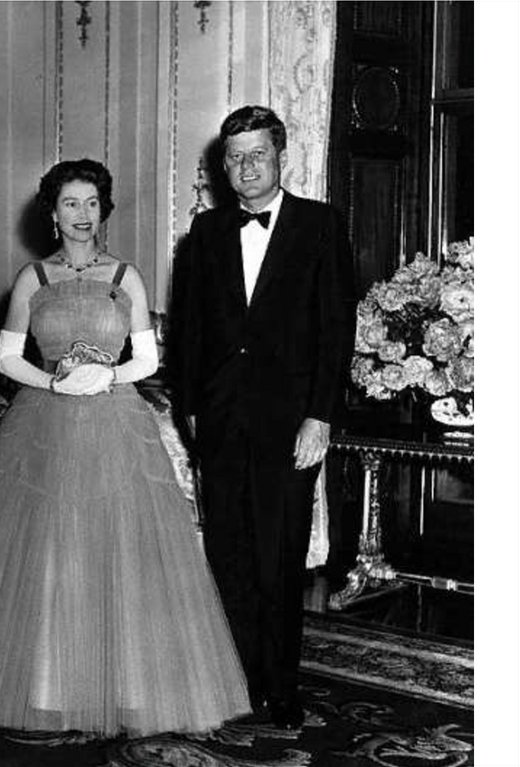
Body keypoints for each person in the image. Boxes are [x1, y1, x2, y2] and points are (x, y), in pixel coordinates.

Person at [0, 159, 250, 736]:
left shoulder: (126, 277)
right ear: (53, 213)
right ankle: (51, 687)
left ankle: (126, 687)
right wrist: (54, 383)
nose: (82, 215)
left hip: (116, 425)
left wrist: (107, 375)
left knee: (119, 551)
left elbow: (148, 358)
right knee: (52, 553)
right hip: (45, 424)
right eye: (71, 203)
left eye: (91, 203)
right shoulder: (33, 278)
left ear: (103, 209)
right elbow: (6, 357)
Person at [171, 105, 356, 729]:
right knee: (228, 555)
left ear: (281, 158)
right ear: (222, 167)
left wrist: (320, 417)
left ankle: (281, 686)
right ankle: (238, 682)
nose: (246, 166)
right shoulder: (205, 233)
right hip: (220, 420)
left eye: (258, 154)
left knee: (279, 557)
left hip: (291, 424)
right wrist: (191, 408)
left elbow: (336, 330)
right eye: (235, 157)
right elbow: (190, 329)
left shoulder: (320, 225)